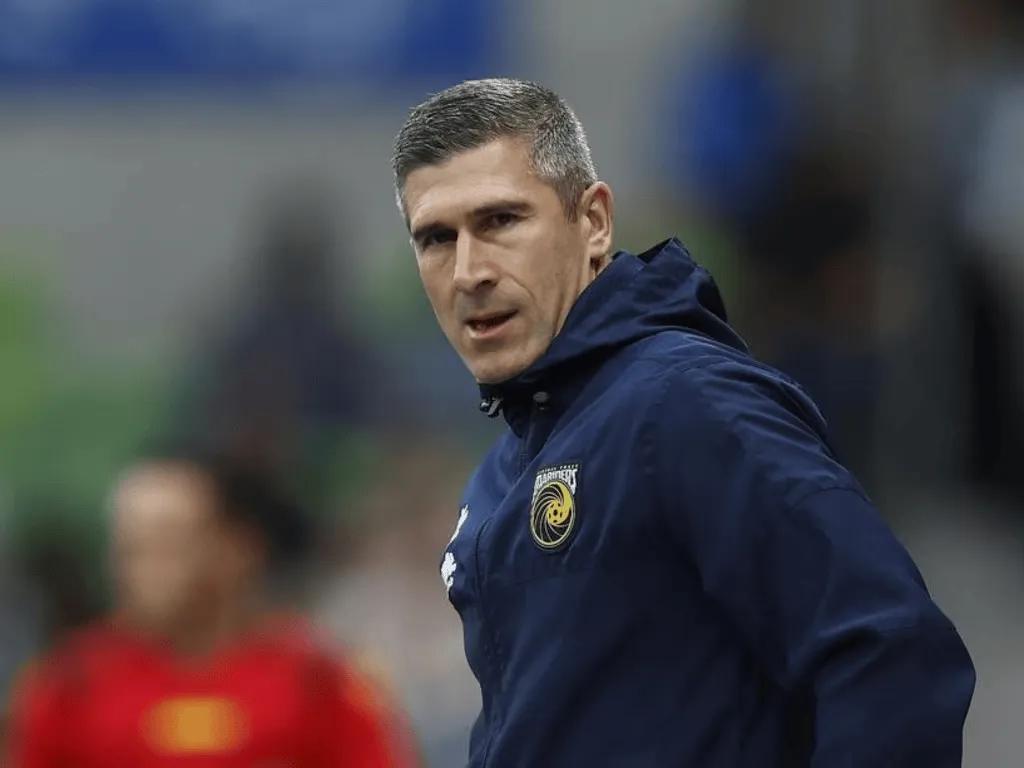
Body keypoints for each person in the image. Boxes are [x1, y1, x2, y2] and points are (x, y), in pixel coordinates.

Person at [390, 78, 975, 766]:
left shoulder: (685, 403)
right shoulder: (503, 471)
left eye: (499, 221)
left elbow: (891, 655)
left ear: (594, 222)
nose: (468, 271)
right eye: (436, 238)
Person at [6, 447, 418, 768]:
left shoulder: (318, 681)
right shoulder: (70, 686)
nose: (136, 567)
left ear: (236, 549)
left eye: (165, 543)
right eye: (127, 546)